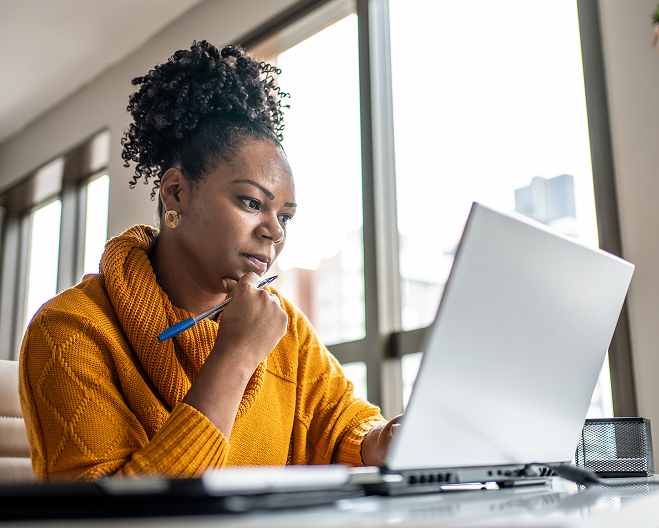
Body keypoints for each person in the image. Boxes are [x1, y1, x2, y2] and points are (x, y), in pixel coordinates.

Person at [18, 41, 399, 481]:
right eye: (251, 202)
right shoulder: (70, 331)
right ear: (176, 192)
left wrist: (380, 439)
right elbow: (107, 520)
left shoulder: (285, 328)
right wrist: (235, 357)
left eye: (286, 217)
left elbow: (341, 424)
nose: (275, 231)